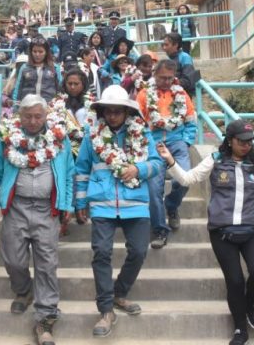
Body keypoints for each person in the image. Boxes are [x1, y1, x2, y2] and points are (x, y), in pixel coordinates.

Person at [155, 119, 254, 345]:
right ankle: (240, 330)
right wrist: (170, 161)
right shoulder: (215, 160)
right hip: (222, 232)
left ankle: (249, 303)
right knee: (235, 281)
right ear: (230, 141)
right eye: (242, 141)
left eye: (250, 142)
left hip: (251, 230)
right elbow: (187, 178)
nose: (247, 146)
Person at [0, 94, 75, 345]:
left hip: (47, 210)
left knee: (47, 263)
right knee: (13, 259)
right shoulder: (6, 137)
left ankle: (45, 317)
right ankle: (23, 291)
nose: (33, 121)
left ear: (46, 116)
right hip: (16, 207)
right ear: (20, 116)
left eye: (38, 116)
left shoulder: (60, 138)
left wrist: (68, 204)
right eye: (28, 116)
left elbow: (69, 173)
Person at [75, 85, 162, 338]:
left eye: (117, 111)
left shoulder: (142, 133)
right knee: (102, 253)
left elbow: (157, 163)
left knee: (138, 251)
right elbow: (81, 170)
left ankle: (119, 292)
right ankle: (105, 310)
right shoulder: (92, 136)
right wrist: (80, 203)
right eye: (108, 111)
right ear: (102, 112)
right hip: (102, 204)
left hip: (136, 203)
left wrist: (138, 170)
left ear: (126, 112)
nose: (112, 116)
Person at [136, 59, 197, 249]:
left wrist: (186, 141)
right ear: (154, 74)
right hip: (153, 144)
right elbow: (137, 122)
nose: (167, 82)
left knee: (184, 180)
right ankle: (160, 230)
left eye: (170, 78)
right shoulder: (144, 94)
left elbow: (191, 120)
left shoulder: (181, 93)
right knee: (154, 190)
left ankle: (171, 205)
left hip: (177, 143)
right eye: (163, 78)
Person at [11, 37, 62, 104]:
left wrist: (57, 103)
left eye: (41, 52)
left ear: (46, 52)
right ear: (30, 52)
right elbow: (18, 89)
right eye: (34, 51)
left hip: (48, 106)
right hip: (28, 105)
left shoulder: (54, 68)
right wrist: (15, 105)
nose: (37, 55)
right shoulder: (24, 67)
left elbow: (60, 88)